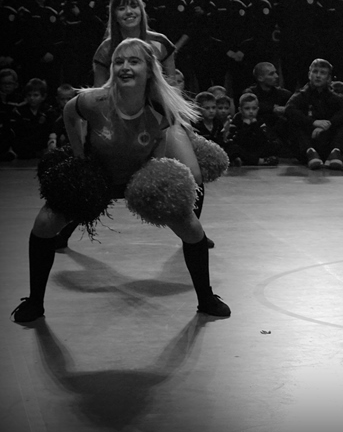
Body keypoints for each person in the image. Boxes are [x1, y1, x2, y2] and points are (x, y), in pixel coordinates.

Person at [10, 38, 230, 323]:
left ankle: (206, 299)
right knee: (43, 224)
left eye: (133, 61)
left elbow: (160, 142)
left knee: (193, 229)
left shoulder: (161, 108)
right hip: (97, 180)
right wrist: (79, 157)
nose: (125, 67)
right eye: (119, 62)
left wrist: (153, 174)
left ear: (149, 70)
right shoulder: (95, 101)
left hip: (137, 179)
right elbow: (69, 112)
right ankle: (34, 303)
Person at [93, 0, 176, 87]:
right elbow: (99, 90)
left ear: (141, 10)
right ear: (114, 15)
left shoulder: (161, 42)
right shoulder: (105, 49)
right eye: (121, 8)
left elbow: (173, 86)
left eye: (134, 6)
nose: (129, 11)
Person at [284, 58, 343, 170]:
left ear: (329, 78)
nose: (318, 76)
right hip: (307, 139)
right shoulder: (302, 95)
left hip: (326, 138)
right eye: (315, 72)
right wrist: (313, 122)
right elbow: (288, 109)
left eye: (323, 73)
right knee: (294, 121)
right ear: (309, 74)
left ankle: (335, 152)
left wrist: (329, 123)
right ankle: (310, 152)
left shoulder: (333, 96)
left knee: (342, 120)